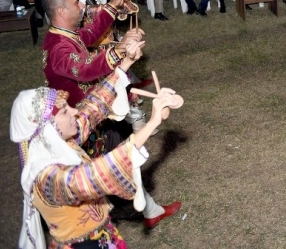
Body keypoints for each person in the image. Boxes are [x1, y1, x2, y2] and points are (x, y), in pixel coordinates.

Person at [10, 39, 182, 249]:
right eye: (65, 111)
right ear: (47, 128)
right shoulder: (46, 177)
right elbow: (96, 174)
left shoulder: (55, 143)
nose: (74, 111)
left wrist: (126, 64)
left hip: (102, 236)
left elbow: (94, 106)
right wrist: (153, 122)